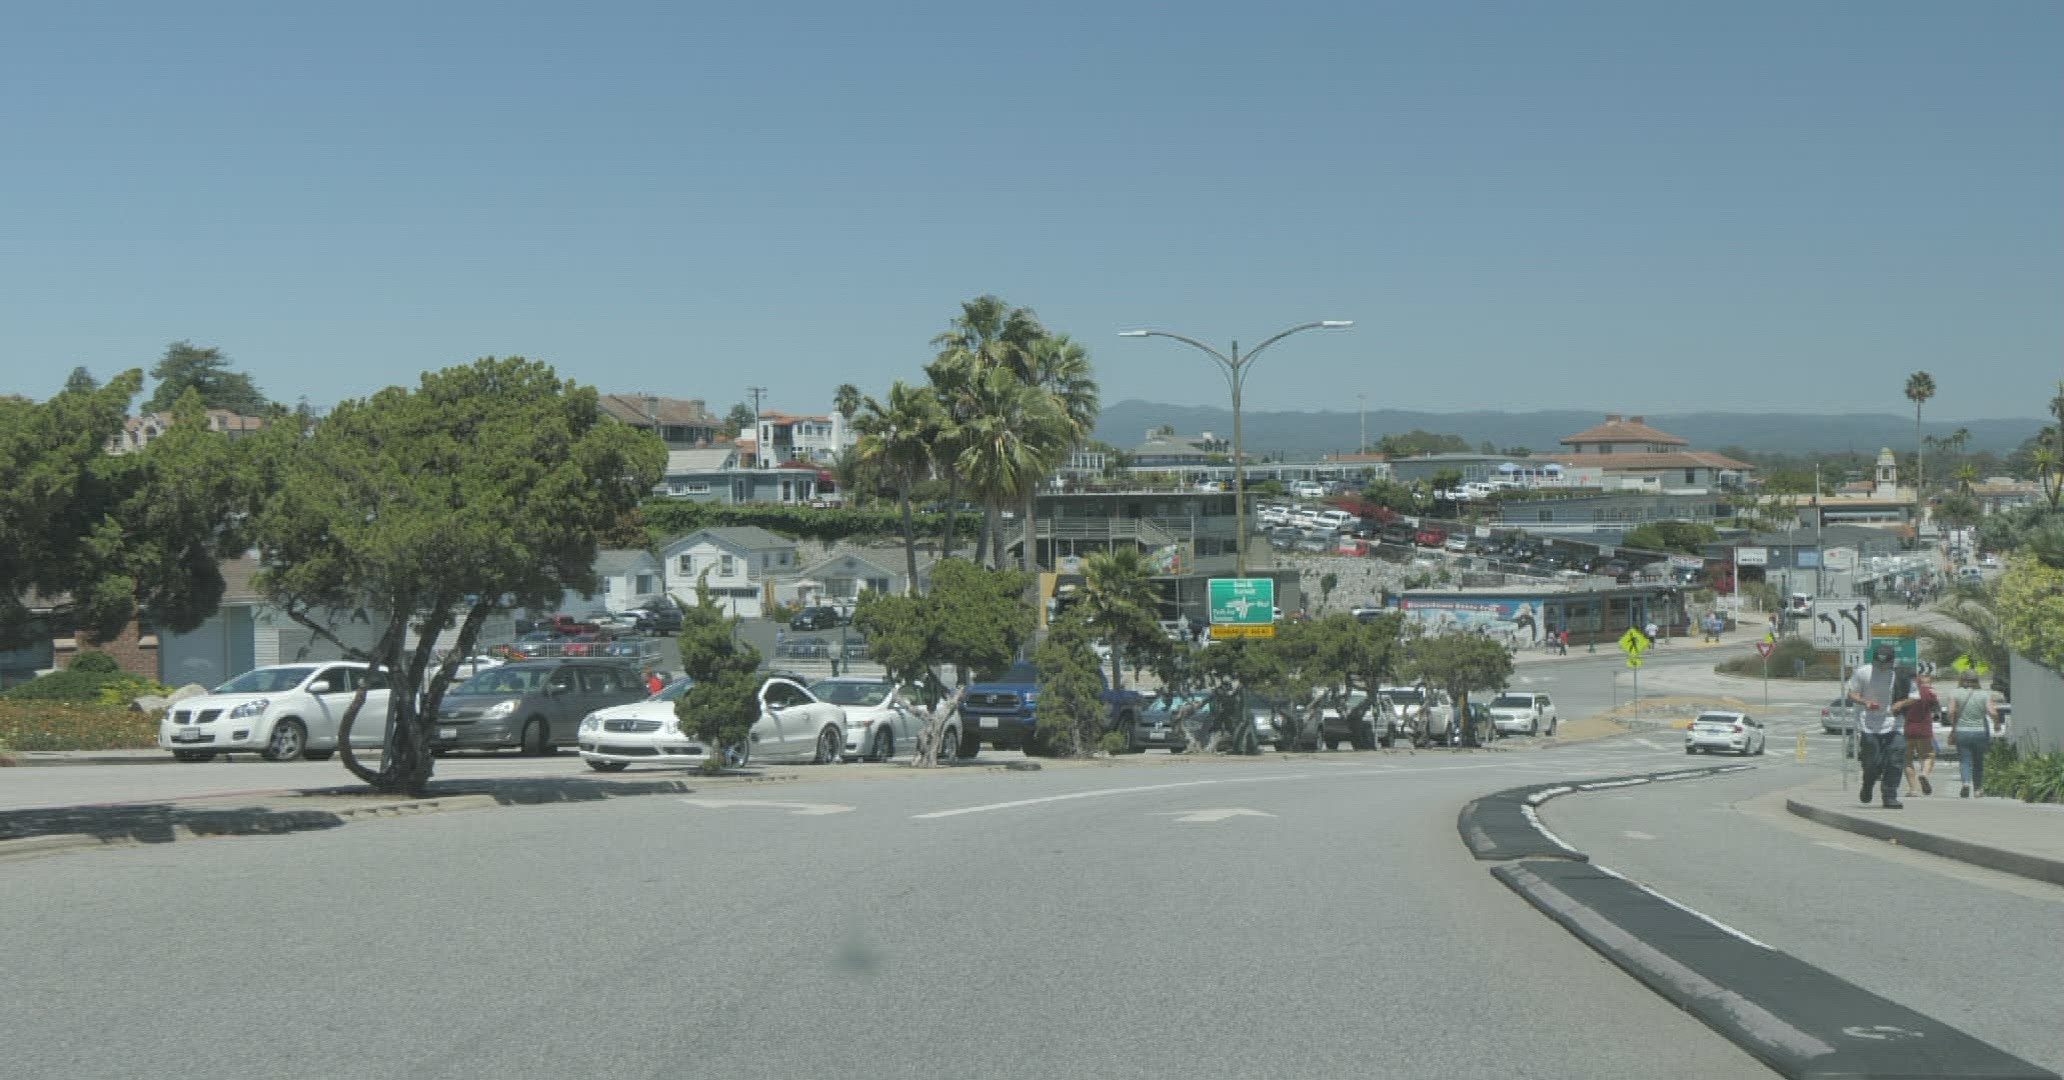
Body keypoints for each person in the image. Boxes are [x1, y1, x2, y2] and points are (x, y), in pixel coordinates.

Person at [1846, 642, 1907, 808]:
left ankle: (1890, 795)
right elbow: (1851, 693)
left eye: (1885, 664)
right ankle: (1868, 784)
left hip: (1894, 723)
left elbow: (1914, 696)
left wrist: (1901, 704)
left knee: (1895, 759)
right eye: (1878, 663)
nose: (1881, 667)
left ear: (1892, 662)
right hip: (1868, 723)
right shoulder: (1863, 672)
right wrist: (1865, 702)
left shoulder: (1900, 675)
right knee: (1872, 762)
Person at [1948, 672, 2002, 798]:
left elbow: (1950, 712)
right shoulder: (1984, 694)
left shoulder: (1955, 693)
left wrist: (1953, 723)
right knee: (1978, 761)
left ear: (1962, 680)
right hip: (1980, 732)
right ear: (1977, 681)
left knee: (1964, 760)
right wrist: (1996, 724)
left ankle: (1966, 783)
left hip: (1962, 731)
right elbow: (1993, 712)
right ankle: (1978, 789)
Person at [1898, 671, 1938, 795]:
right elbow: (1936, 710)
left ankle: (1913, 789)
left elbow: (1900, 710)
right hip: (1924, 730)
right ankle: (1924, 774)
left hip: (1909, 729)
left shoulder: (1908, 694)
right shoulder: (1929, 693)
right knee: (1928, 755)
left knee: (1907, 759)